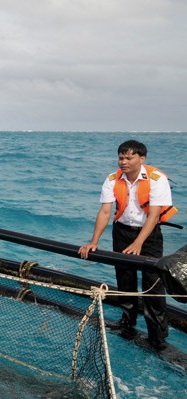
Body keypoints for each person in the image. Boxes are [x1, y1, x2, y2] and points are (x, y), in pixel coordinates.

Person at [78, 140, 178, 350]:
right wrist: (93, 241)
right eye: (121, 157)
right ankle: (127, 324)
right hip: (122, 231)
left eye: (129, 157)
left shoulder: (156, 179)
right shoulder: (112, 179)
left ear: (142, 159)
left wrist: (139, 243)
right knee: (124, 278)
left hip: (148, 235)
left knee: (153, 282)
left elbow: (154, 214)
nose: (123, 161)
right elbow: (106, 211)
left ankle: (157, 336)